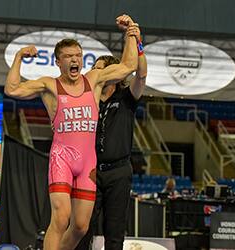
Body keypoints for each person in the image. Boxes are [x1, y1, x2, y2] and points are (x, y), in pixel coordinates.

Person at [5, 15, 138, 250]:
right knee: (61, 217)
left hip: (88, 163)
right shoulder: (49, 85)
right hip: (62, 159)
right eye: (68, 57)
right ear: (58, 62)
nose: (74, 60)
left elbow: (128, 66)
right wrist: (18, 58)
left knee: (80, 227)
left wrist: (130, 34)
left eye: (78, 55)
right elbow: (12, 89)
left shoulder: (94, 80)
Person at [76, 17, 147, 250]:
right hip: (91, 171)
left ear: (113, 74)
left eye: (98, 70)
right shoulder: (88, 98)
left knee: (114, 233)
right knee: (82, 228)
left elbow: (141, 75)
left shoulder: (127, 97)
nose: (93, 74)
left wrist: (136, 40)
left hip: (119, 171)